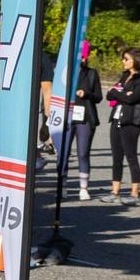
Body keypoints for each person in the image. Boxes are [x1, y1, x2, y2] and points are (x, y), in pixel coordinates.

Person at [53, 44, 101, 201]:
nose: (81, 59)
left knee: (83, 153)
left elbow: (99, 97)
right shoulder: (64, 73)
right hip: (66, 116)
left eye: (83, 56)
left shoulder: (92, 74)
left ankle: (83, 188)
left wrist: (86, 94)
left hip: (85, 117)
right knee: (63, 152)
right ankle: (62, 186)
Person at [106, 46, 140, 204]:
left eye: (126, 59)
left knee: (131, 156)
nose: (123, 62)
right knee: (116, 157)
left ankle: (135, 194)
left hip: (131, 121)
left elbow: (133, 99)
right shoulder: (125, 75)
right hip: (116, 119)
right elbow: (109, 94)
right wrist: (122, 94)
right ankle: (115, 192)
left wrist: (119, 93)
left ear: (135, 60)